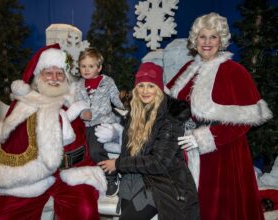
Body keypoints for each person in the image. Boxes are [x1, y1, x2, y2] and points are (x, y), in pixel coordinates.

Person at [166, 12, 273, 220]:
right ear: (195, 40)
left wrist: (203, 137)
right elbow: (168, 102)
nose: (207, 42)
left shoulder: (235, 71)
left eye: (213, 37)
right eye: (202, 37)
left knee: (218, 209)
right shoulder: (189, 69)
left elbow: (243, 122)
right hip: (187, 151)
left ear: (221, 40)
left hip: (223, 155)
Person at [0, 44, 106, 220]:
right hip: (31, 176)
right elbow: (11, 143)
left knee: (85, 212)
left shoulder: (76, 102)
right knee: (5, 215)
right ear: (38, 76)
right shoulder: (24, 105)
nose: (54, 78)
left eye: (59, 73)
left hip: (72, 173)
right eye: (48, 73)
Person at [97, 62, 200, 220]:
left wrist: (118, 164)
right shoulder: (136, 112)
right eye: (141, 86)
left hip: (164, 182)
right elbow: (130, 151)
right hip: (135, 178)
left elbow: (158, 163)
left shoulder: (171, 118)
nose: (145, 91)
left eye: (151, 86)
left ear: (159, 88)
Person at [74, 47, 126, 197]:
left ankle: (112, 175)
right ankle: (90, 179)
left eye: (91, 66)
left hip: (103, 122)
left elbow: (116, 99)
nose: (86, 69)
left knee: (95, 150)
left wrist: (127, 105)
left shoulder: (107, 82)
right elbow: (77, 102)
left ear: (99, 67)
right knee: (81, 151)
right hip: (85, 124)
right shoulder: (79, 85)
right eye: (83, 66)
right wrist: (82, 112)